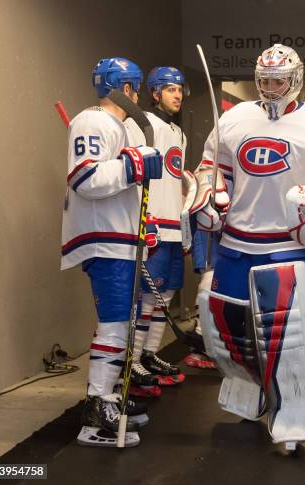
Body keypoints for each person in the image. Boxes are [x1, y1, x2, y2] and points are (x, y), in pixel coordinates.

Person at [197, 44, 305, 449]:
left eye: (279, 81)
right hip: (237, 242)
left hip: (291, 246)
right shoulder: (234, 118)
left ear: (296, 79)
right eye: (265, 81)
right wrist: (208, 198)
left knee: (287, 339)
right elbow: (212, 170)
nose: (271, 89)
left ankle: (296, 416)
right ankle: (250, 394)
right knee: (233, 335)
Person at [60, 57, 163, 447]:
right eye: (135, 88)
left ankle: (109, 397)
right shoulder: (93, 122)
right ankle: (97, 411)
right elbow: (85, 178)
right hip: (103, 240)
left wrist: (142, 224)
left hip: (117, 237)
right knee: (116, 322)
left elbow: (115, 184)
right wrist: (135, 163)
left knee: (120, 321)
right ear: (128, 88)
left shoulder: (113, 126)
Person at [124, 67, 189, 395]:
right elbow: (132, 172)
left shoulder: (179, 132)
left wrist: (186, 222)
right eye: (169, 89)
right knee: (146, 298)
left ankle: (150, 354)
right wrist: (142, 218)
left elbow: (176, 181)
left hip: (175, 227)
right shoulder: (139, 124)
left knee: (166, 296)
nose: (176, 95)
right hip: (153, 225)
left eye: (179, 89)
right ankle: (131, 360)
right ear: (154, 92)